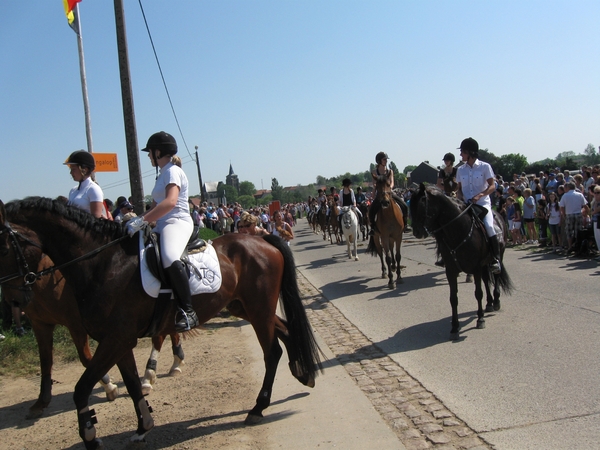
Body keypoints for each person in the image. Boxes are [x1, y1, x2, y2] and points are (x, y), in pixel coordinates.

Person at [127, 131, 198, 332]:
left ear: (158, 152)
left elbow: (170, 202)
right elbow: (155, 206)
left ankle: (188, 310)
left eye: (149, 152)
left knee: (168, 256)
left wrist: (142, 221)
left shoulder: (172, 171)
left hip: (177, 221)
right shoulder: (162, 174)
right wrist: (137, 219)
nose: (148, 156)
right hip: (161, 223)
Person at [456, 137, 502, 273]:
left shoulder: (485, 167)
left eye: (462, 152)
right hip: (465, 205)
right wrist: (459, 196)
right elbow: (459, 188)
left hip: (482, 204)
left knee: (488, 226)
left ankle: (496, 259)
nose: (460, 155)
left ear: (470, 152)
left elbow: (492, 186)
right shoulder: (460, 170)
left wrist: (480, 195)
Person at [369, 152, 407, 235]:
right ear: (379, 161)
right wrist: (376, 188)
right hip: (379, 193)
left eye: (386, 159)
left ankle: (405, 224)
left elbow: (392, 182)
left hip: (389, 192)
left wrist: (388, 188)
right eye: (384, 159)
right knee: (371, 210)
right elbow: (374, 183)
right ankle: (372, 227)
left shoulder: (390, 171)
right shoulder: (374, 171)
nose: (386, 161)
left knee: (404, 205)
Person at [63, 150, 106, 218]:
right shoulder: (73, 190)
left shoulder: (94, 189)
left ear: (84, 170)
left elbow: (96, 220)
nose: (71, 173)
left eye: (73, 169)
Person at [559, 181, 589, 254]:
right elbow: (585, 205)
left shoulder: (565, 195)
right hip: (578, 213)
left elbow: (562, 207)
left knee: (569, 231)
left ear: (568, 187)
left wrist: (564, 214)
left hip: (569, 214)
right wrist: (585, 212)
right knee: (578, 231)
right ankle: (577, 246)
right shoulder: (579, 195)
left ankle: (570, 246)